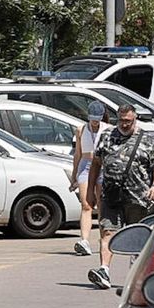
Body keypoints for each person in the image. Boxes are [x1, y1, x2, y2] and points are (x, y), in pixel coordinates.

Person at [86, 103, 154, 290]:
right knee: (107, 232)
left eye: (128, 121)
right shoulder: (107, 137)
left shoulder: (146, 140)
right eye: (121, 120)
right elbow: (96, 163)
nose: (124, 124)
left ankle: (136, 276)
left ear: (135, 118)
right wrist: (90, 191)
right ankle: (104, 271)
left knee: (138, 236)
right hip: (111, 196)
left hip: (138, 199)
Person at [70, 101, 108, 257]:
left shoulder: (108, 130)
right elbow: (78, 154)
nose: (94, 122)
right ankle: (84, 241)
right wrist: (74, 175)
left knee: (101, 204)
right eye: (92, 118)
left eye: (97, 118)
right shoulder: (81, 129)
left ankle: (104, 240)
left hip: (102, 165)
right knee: (86, 204)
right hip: (85, 165)